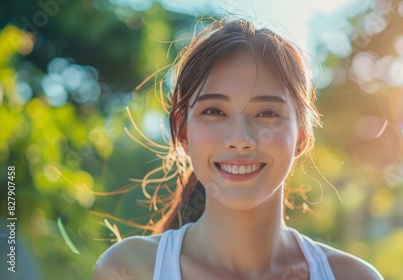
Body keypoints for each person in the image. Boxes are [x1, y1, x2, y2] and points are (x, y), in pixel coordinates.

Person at [93, 18, 383, 280]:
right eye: (215, 111)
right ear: (182, 131)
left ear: (302, 136)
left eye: (267, 113)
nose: (240, 139)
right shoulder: (128, 270)